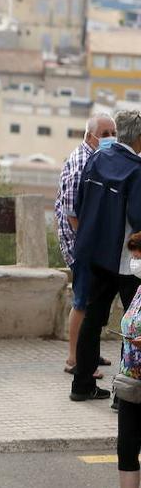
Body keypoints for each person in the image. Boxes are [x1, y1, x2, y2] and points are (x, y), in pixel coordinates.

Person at [70, 109, 141, 402]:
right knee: (132, 326)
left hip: (95, 254)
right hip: (126, 261)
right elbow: (138, 217)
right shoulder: (137, 170)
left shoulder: (96, 159)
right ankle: (123, 396)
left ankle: (81, 385)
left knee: (92, 319)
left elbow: (79, 202)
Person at [57, 114, 117, 379]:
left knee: (93, 301)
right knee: (82, 301)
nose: (110, 138)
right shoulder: (82, 161)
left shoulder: (96, 157)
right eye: (105, 134)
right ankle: (74, 358)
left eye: (113, 132)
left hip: (87, 243)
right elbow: (71, 210)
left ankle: (88, 352)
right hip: (79, 244)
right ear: (89, 136)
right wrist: (89, 241)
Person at [116, 232, 141, 488]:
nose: (134, 263)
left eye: (138, 256)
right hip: (130, 380)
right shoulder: (139, 288)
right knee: (126, 447)